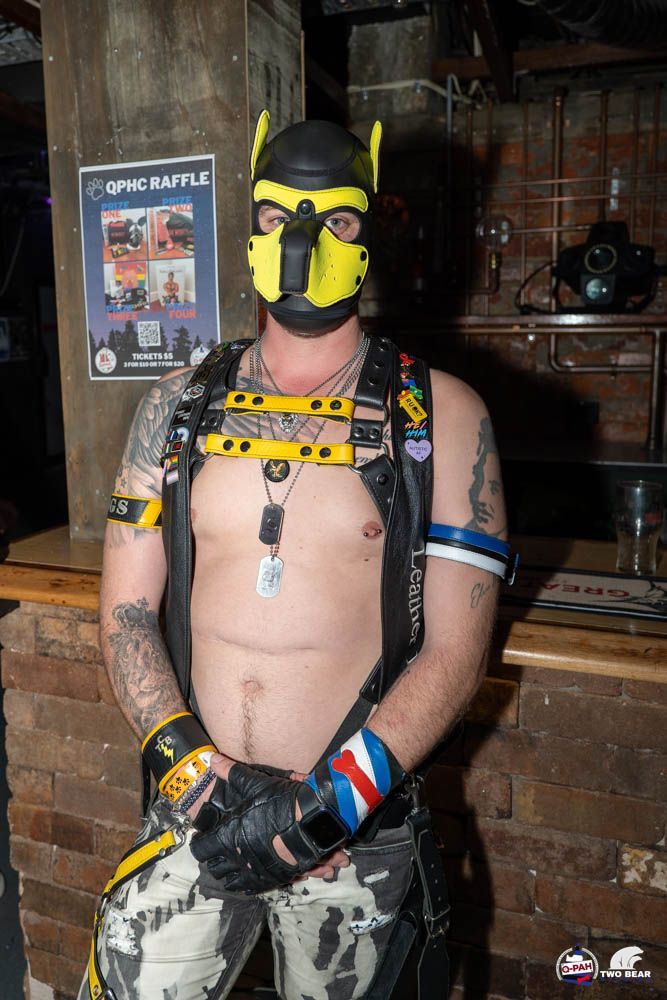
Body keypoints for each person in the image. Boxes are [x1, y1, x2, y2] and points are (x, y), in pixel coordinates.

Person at [81, 111, 511, 1000]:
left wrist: (322, 810)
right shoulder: (174, 406)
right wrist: (199, 782)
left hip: (351, 836)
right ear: (251, 227)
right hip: (194, 811)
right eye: (279, 217)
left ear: (368, 233)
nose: (302, 244)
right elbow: (124, 612)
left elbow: (455, 653)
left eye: (335, 220)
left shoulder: (442, 415)